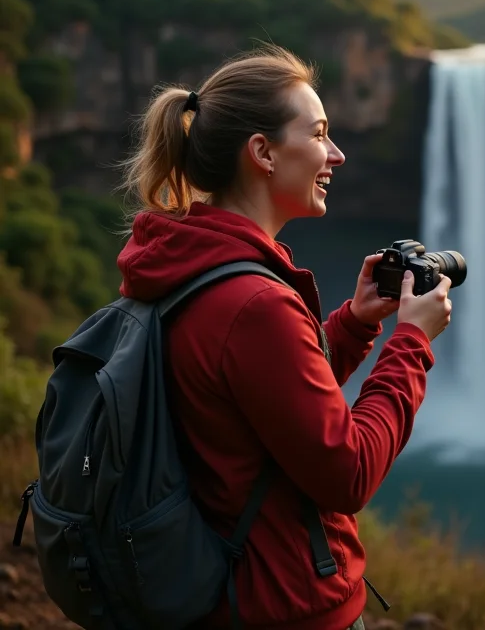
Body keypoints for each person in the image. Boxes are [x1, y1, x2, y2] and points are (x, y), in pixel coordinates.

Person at [115, 45, 453, 630]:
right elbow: (348, 473)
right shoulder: (255, 303)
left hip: (219, 588)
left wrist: (354, 325)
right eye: (319, 134)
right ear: (263, 153)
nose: (337, 155)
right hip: (280, 606)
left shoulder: (187, 265)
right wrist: (411, 344)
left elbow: (253, 398)